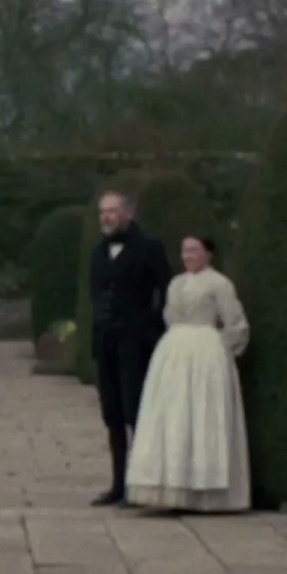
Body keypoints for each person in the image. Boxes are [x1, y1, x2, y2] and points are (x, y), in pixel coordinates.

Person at [125, 236, 251, 511]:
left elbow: (235, 323)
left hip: (205, 350)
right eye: (184, 251)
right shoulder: (176, 283)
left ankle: (206, 490)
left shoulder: (219, 283)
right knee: (172, 414)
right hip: (174, 351)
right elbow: (170, 316)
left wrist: (220, 351)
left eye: (194, 250)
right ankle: (169, 485)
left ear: (209, 254)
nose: (188, 256)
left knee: (202, 415)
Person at [86, 190, 173, 506]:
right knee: (112, 415)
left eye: (112, 211)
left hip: (136, 342)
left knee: (135, 410)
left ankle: (143, 484)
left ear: (128, 214)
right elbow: (95, 298)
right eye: (102, 212)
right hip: (107, 341)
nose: (106, 217)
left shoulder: (149, 248)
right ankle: (118, 484)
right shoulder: (98, 252)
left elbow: (166, 291)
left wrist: (152, 329)